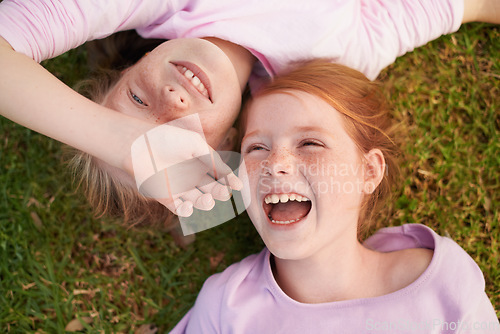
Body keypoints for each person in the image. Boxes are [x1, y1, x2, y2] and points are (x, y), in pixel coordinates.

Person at [0, 0, 498, 224]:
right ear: (224, 144)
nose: (171, 102)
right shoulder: (337, 59)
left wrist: (124, 144)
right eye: (177, 137)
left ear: (134, 63)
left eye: (135, 101)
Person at [169, 59, 500, 333]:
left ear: (368, 172)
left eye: (310, 143)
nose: (276, 164)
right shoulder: (226, 306)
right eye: (256, 148)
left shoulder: (442, 284)